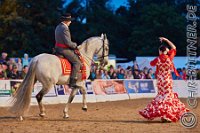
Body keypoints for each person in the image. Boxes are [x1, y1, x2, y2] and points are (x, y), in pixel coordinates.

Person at [139, 37, 189, 122]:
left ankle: (163, 114)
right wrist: (166, 40)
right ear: (166, 51)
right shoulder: (169, 58)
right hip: (167, 80)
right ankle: (168, 115)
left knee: (161, 96)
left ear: (160, 51)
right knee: (168, 97)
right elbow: (174, 47)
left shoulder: (157, 59)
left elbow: (151, 64)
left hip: (160, 81)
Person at [55, 13, 81, 88]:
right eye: (69, 21)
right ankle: (72, 82)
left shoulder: (58, 27)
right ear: (66, 21)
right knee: (77, 62)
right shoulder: (65, 28)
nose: (70, 22)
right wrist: (75, 45)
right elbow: (68, 42)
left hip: (57, 48)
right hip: (63, 49)